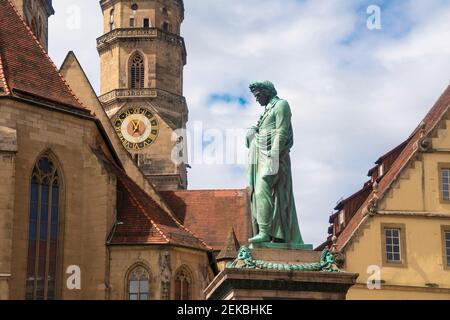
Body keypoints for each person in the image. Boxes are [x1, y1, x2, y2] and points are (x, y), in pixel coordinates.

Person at [246, 81, 304, 244]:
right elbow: (263, 130)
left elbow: (282, 130)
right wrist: (253, 131)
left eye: (258, 95)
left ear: (266, 92)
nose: (257, 99)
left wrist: (274, 154)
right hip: (263, 154)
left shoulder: (281, 105)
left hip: (275, 155)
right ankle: (273, 233)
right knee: (260, 192)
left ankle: (264, 232)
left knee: (261, 188)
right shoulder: (266, 111)